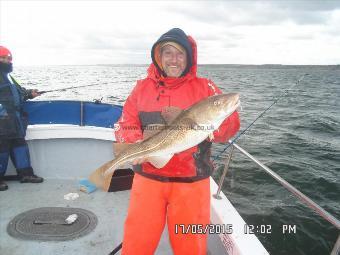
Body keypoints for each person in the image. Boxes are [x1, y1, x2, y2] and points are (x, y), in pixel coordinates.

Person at [114, 28, 240, 254]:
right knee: (136, 244)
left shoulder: (205, 88)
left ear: (188, 58)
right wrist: (136, 145)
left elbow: (227, 131)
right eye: (168, 53)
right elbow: (126, 125)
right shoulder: (141, 88)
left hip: (191, 182)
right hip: (148, 178)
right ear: (158, 57)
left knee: (190, 247)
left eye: (180, 53)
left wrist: (222, 121)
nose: (174, 59)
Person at [0, 45, 43, 191]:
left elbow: (18, 93)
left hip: (15, 120)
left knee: (20, 147)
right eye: (3, 58)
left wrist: (30, 93)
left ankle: (26, 174)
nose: (6, 61)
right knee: (1, 150)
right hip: (2, 121)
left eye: (8, 58)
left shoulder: (9, 77)